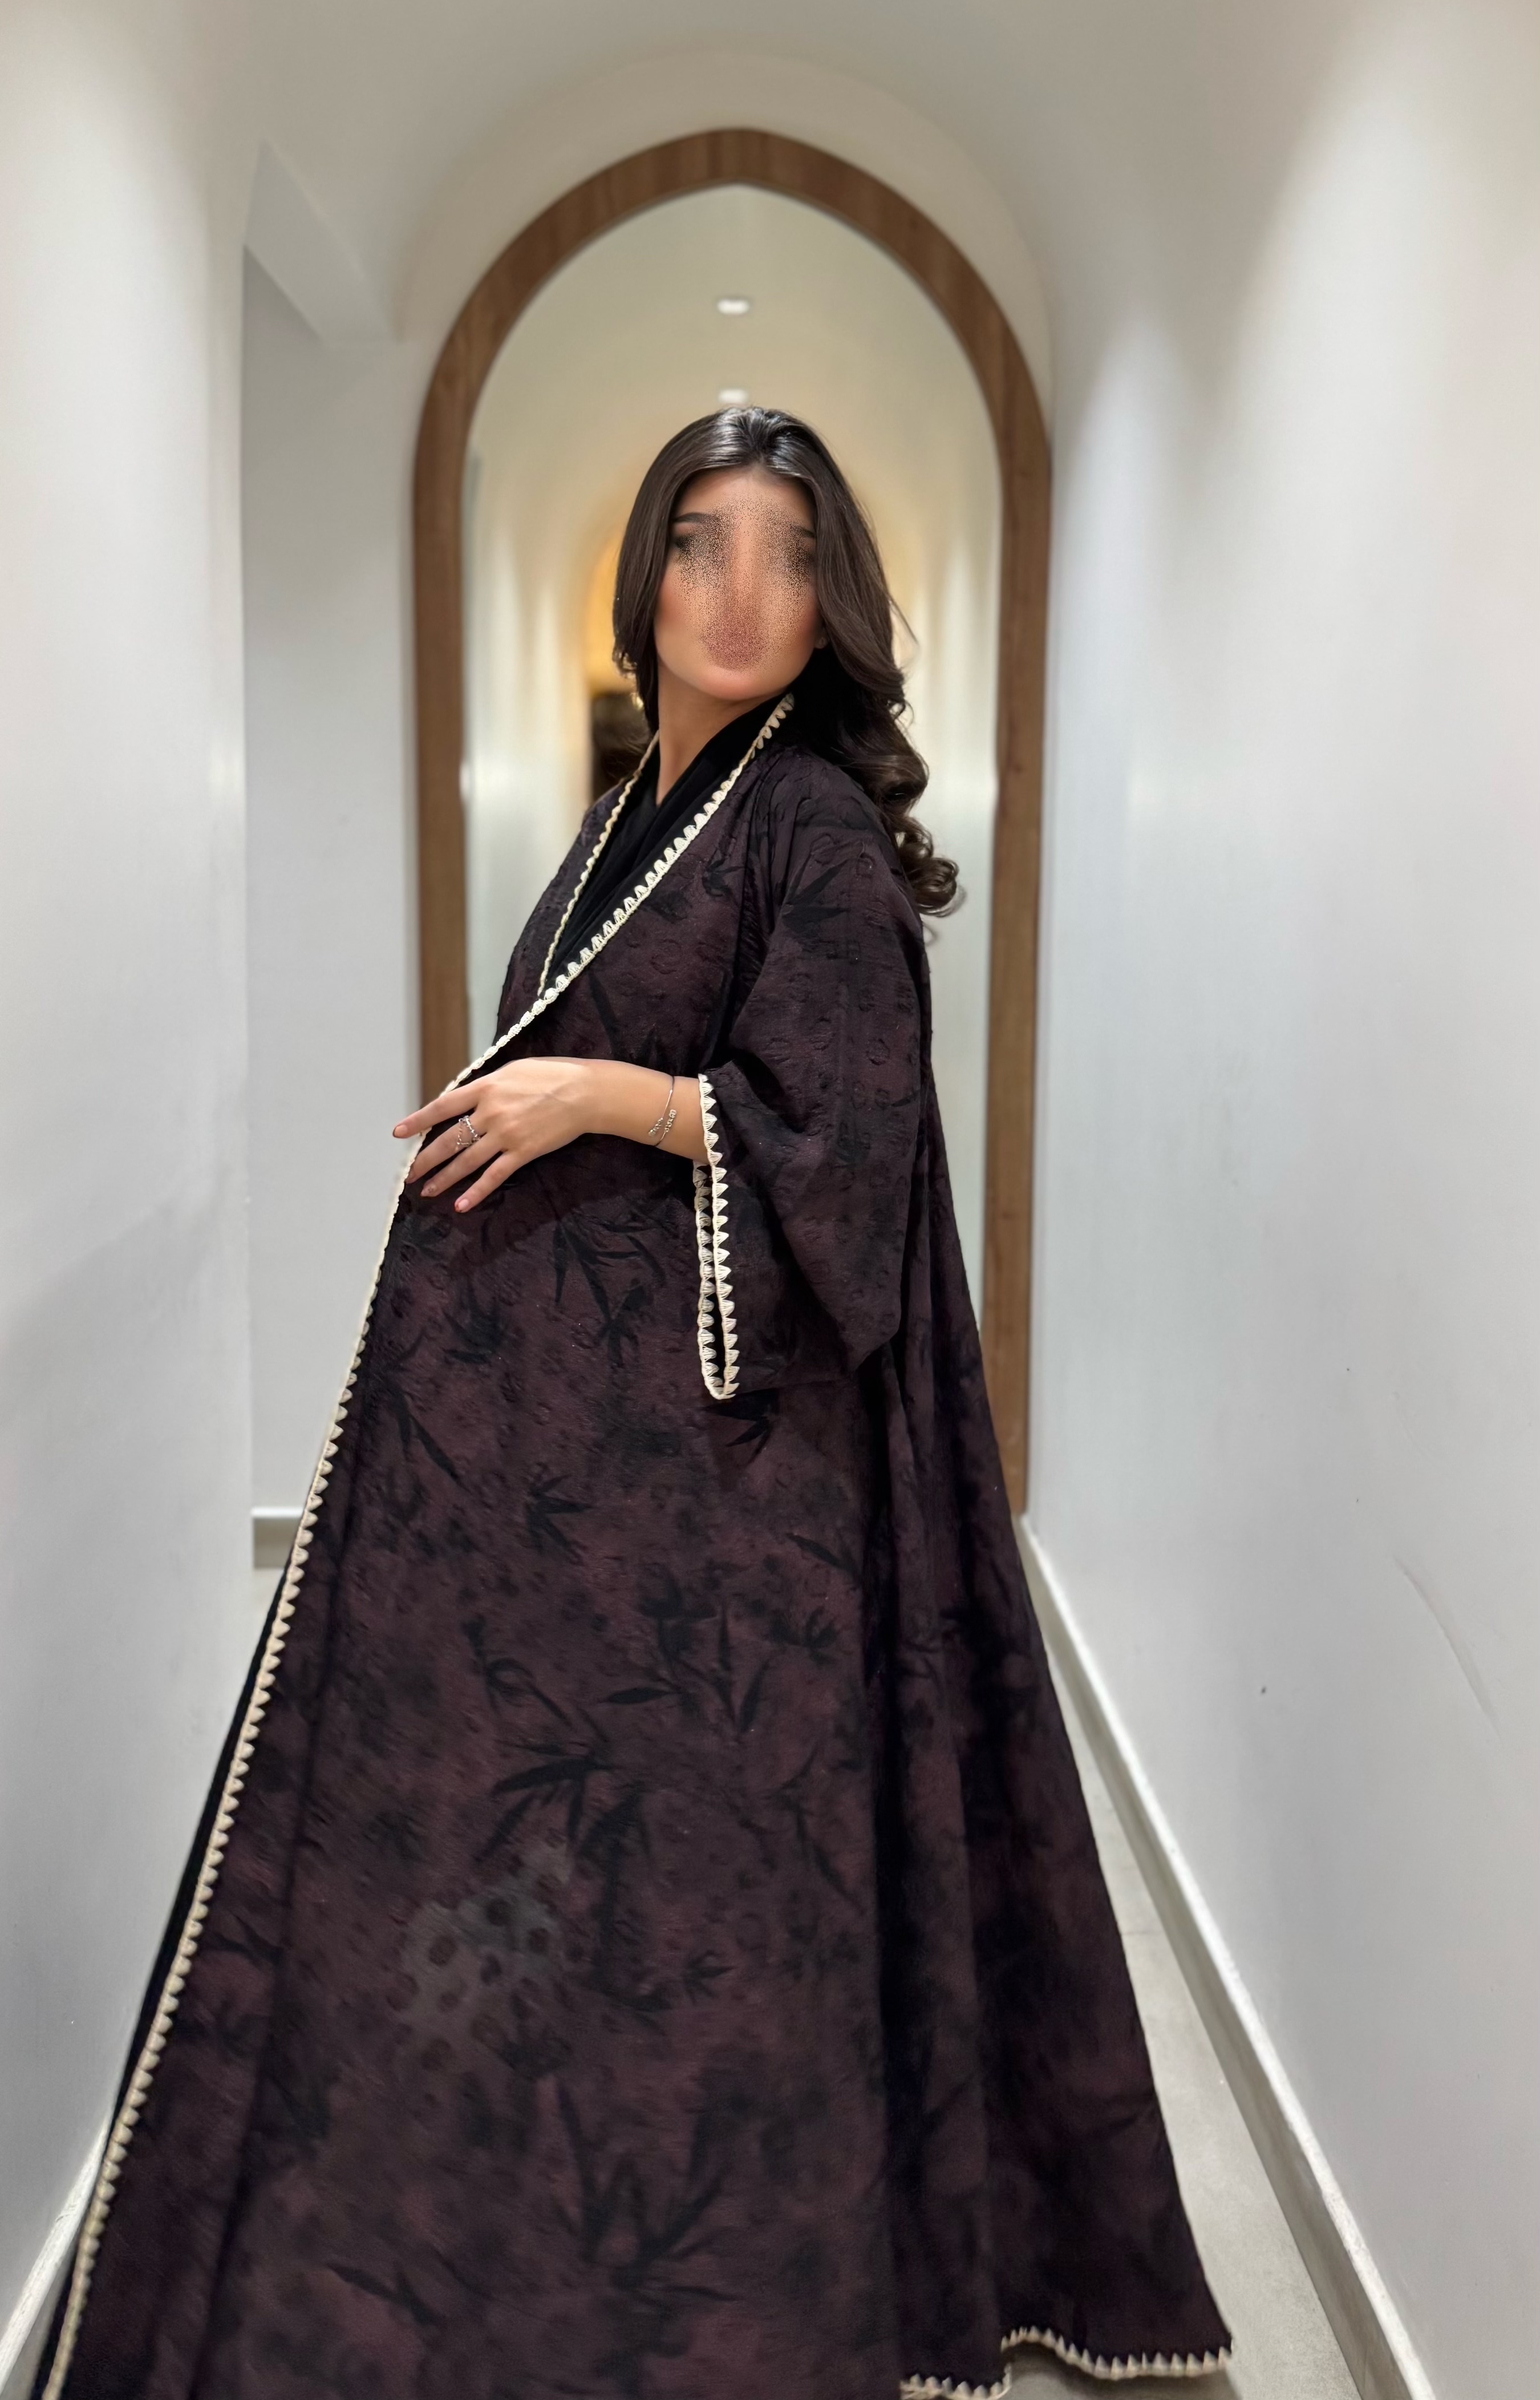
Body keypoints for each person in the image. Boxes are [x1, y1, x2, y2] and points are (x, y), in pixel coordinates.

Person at [39, 409, 1229, 2400]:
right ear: (642, 582)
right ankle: (512, 2247)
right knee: (543, 1879)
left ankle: (692, 2295)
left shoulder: (812, 832)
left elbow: (846, 1144)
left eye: (789, 551)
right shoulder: (627, 821)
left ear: (836, 600)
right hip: (582, 1492)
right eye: (698, 542)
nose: (740, 590)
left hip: (724, 1506)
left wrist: (592, 1095)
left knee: (697, 1903)